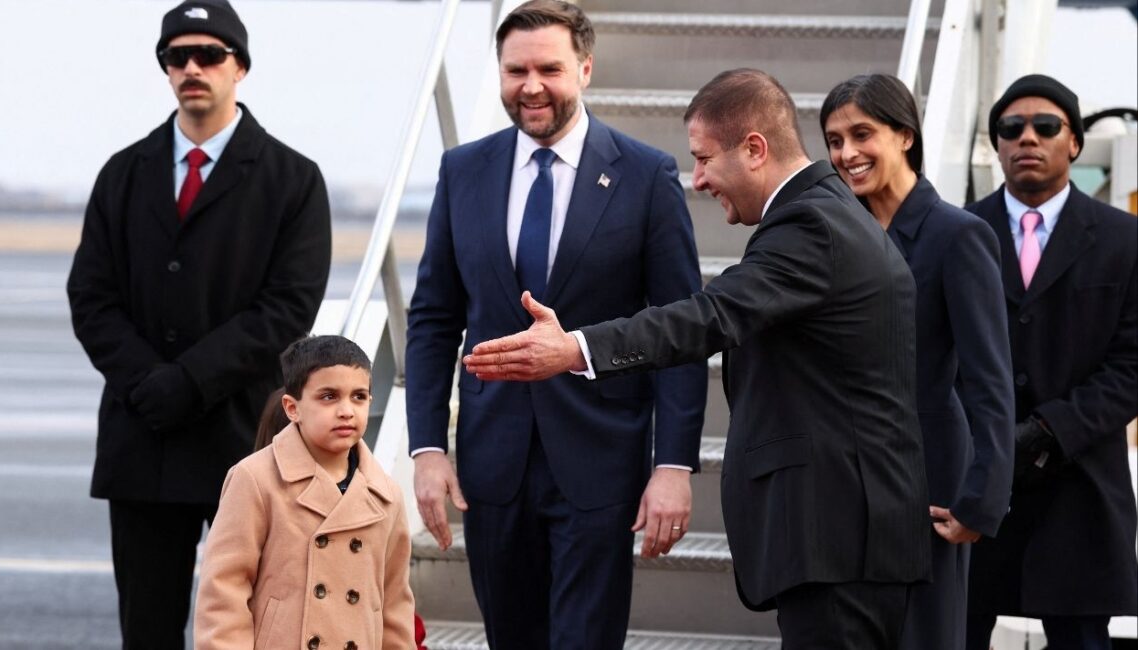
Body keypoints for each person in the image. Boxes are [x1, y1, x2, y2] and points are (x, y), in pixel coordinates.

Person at [464, 68, 932, 649]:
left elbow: (708, 315)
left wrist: (575, 349)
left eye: (705, 158)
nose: (699, 178)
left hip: (839, 539)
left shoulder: (811, 225)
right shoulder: (825, 213)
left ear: (755, 149)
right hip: (847, 536)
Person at [405, 1, 707, 647]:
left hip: (601, 459)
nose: (532, 86)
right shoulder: (462, 171)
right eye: (516, 71)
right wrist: (427, 449)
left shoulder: (646, 175)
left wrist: (674, 464)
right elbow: (432, 318)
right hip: (492, 462)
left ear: (586, 69)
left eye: (550, 69)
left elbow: (679, 330)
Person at [65, 1, 331, 646]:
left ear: (240, 67)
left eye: (209, 55)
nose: (192, 68)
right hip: (142, 437)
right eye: (176, 57)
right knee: (146, 630)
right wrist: (147, 382)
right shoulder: (123, 173)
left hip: (243, 441)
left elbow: (288, 307)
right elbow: (91, 296)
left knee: (257, 629)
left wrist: (189, 381)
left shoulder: (293, 180)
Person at [818, 73, 1015, 650]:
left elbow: (989, 380)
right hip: (842, 479)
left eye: (862, 134)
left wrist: (980, 499)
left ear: (905, 135)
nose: (846, 154)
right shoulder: (834, 235)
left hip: (930, 479)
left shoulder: (959, 235)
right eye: (834, 141)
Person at [964, 74, 1138, 650]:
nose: (1027, 138)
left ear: (1075, 142)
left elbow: (1132, 366)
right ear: (997, 144)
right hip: (978, 484)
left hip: (1081, 487)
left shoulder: (1125, 240)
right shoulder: (960, 231)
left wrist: (1049, 430)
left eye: (1045, 126)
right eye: (1011, 128)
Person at [194, 335, 414, 650]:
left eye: (359, 397)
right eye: (329, 396)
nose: (346, 411)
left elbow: (395, 605)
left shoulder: (386, 494)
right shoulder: (255, 479)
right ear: (292, 408)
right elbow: (223, 592)